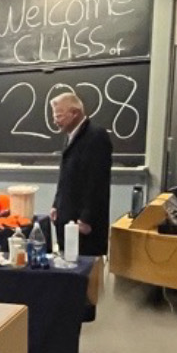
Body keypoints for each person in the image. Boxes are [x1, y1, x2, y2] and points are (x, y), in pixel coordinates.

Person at [49, 92, 114, 256]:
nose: (55, 120)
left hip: (84, 224)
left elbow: (97, 182)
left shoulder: (96, 136)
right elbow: (66, 176)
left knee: (86, 270)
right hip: (67, 215)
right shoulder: (70, 136)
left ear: (74, 113)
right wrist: (57, 204)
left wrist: (87, 218)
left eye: (59, 116)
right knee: (67, 266)